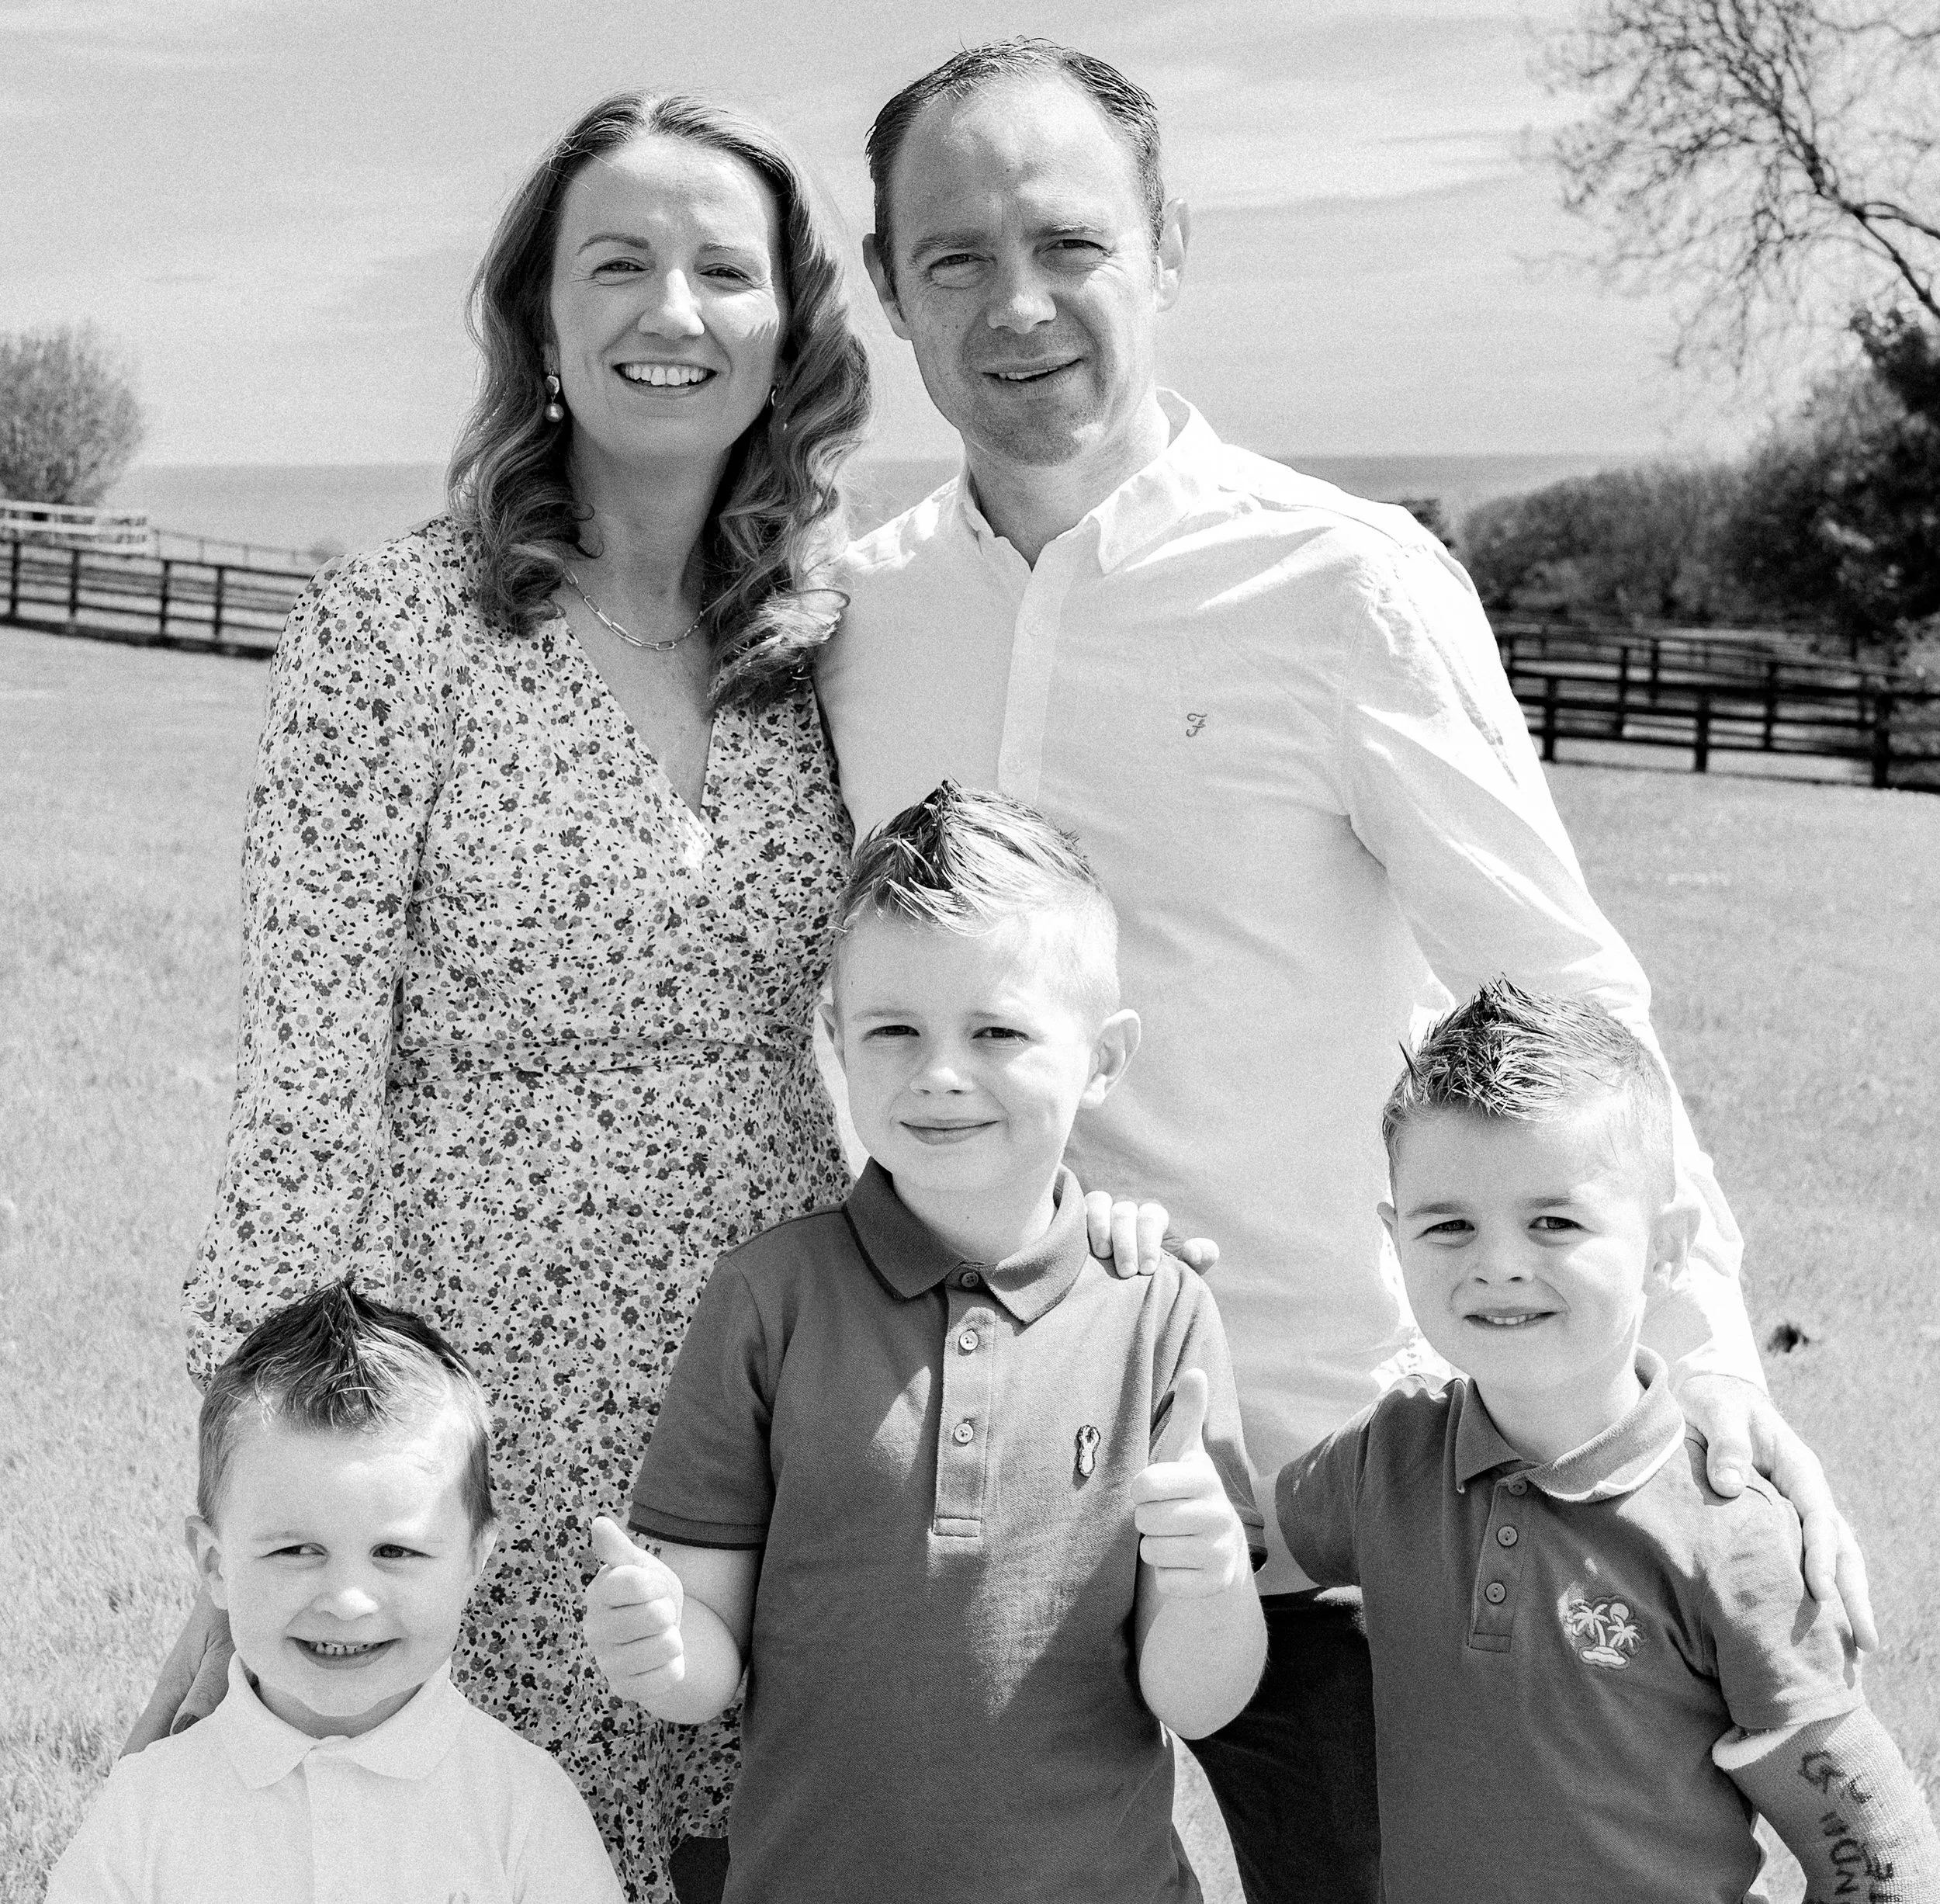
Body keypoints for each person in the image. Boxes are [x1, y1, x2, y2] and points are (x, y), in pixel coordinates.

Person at [816, 36, 1875, 1902]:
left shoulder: (1348, 585)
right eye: (954, 254)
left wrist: (1701, 1367)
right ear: (891, 285)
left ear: (1166, 251)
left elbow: (1562, 997)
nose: (1018, 302)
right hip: (971, 1509)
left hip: (1328, 1493)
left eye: (1068, 240)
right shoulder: (856, 614)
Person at [131, 89, 872, 1904]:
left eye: (723, 269)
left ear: (791, 324)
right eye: (615, 263)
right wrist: (252, 1511)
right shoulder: (390, 637)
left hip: (777, 1380)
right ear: (537, 317)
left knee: (751, 1847)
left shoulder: (842, 634)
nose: (670, 310)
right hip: (480, 1385)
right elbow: (305, 1088)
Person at [584, 782, 1268, 1904]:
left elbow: (1198, 1698)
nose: (940, 1073)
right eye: (894, 1030)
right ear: (836, 1041)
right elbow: (708, 1661)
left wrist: (1208, 1580)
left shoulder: (1159, 1311)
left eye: (997, 1031)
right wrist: (664, 1649)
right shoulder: (770, 1297)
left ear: (1102, 1057)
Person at [1276, 983, 1939, 1904]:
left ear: (1664, 1249)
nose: (1498, 1260)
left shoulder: (1732, 1533)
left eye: (1554, 1220)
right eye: (1448, 1223)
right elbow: (1223, 1545)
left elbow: (1880, 1857)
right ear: (1396, 1239)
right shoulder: (1381, 1458)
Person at [50, 1280, 625, 1903]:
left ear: (472, 1560)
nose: (347, 1600)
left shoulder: (525, 1809)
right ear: (215, 1562)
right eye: (296, 1550)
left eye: (395, 1551)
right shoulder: (144, 1814)